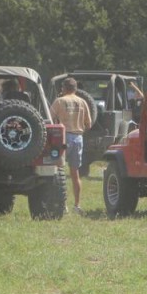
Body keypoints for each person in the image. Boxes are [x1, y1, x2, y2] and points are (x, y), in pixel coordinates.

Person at [49, 77, 92, 214]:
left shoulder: (60, 101)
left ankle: (61, 204)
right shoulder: (82, 102)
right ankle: (77, 205)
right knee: (75, 173)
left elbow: (50, 119)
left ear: (64, 88)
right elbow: (89, 124)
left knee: (58, 171)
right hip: (78, 137)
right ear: (75, 88)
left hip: (63, 136)